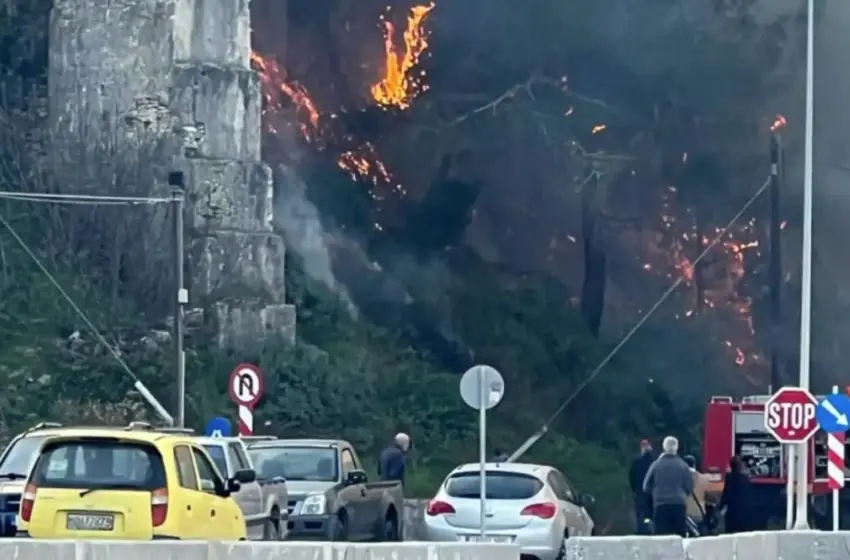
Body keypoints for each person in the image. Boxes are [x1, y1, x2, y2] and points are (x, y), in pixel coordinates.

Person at [642, 436, 693, 536]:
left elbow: (646, 486)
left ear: (664, 447)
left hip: (660, 506)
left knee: (661, 539)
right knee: (679, 539)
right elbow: (689, 486)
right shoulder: (683, 466)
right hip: (679, 505)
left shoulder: (656, 465)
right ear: (676, 448)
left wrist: (655, 493)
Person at [629, 439, 655, 534]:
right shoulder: (654, 461)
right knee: (651, 515)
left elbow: (631, 478)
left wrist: (635, 490)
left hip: (640, 493)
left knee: (641, 516)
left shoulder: (636, 462)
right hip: (652, 494)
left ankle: (642, 533)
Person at [720, 455, 751, 533]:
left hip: (731, 510)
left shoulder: (729, 478)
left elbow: (726, 493)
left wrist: (722, 506)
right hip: (743, 510)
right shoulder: (745, 479)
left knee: (730, 532)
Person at [684, 454, 710, 535]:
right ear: (694, 464)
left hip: (684, 515)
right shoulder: (703, 478)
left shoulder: (679, 478)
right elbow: (710, 498)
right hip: (699, 514)